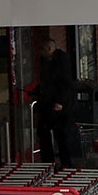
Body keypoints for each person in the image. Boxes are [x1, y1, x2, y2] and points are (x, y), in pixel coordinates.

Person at [34, 39, 77, 169]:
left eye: (42, 50)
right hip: (49, 103)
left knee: (61, 134)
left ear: (49, 49)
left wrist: (60, 101)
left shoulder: (61, 62)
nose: (39, 53)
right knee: (44, 131)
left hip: (60, 106)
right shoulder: (47, 61)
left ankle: (65, 162)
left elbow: (65, 84)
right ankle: (50, 161)